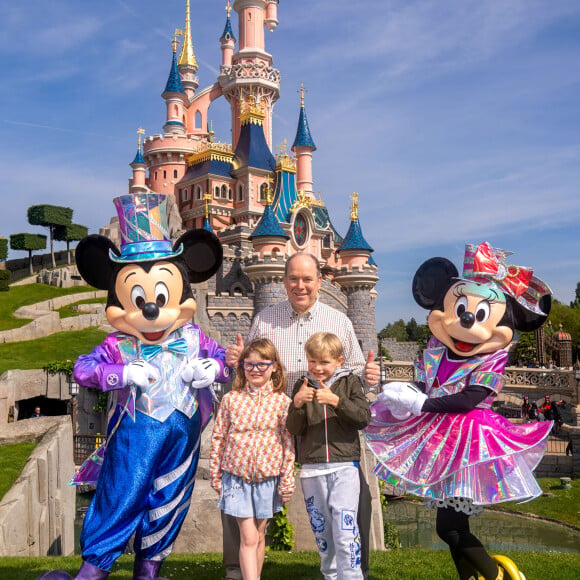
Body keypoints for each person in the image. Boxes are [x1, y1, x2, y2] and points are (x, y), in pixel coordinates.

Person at [366, 243, 553, 580]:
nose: (466, 319)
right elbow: (425, 387)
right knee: (450, 528)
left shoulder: (490, 358)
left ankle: (499, 578)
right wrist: (407, 395)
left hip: (470, 441)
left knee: (450, 529)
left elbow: (469, 399)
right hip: (440, 439)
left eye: (480, 314)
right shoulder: (436, 350)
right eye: (462, 309)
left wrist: (421, 403)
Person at [223, 252, 379, 580]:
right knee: (240, 485)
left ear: (320, 281)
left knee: (357, 494)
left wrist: (371, 376)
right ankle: (237, 570)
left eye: (307, 279)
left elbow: (352, 375)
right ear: (283, 281)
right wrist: (235, 359)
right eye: (293, 278)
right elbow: (251, 365)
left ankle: (356, 568)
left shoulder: (339, 321)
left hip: (322, 421)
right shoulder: (265, 319)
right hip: (274, 420)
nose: (300, 286)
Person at [286, 332, 371, 579]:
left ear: (339, 361)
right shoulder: (301, 385)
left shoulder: (350, 383)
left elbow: (363, 418)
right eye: (312, 361)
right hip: (312, 470)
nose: (317, 368)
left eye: (324, 362)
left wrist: (336, 401)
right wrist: (298, 405)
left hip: (344, 468)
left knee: (345, 532)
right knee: (323, 536)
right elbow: (293, 429)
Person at [210, 338, 295, 580]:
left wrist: (287, 480)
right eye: (249, 365)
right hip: (237, 478)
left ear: (274, 366)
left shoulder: (282, 402)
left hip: (268, 479)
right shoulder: (231, 400)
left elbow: (288, 444)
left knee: (258, 536)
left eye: (262, 364)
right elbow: (219, 438)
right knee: (248, 536)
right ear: (242, 367)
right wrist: (216, 475)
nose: (255, 370)